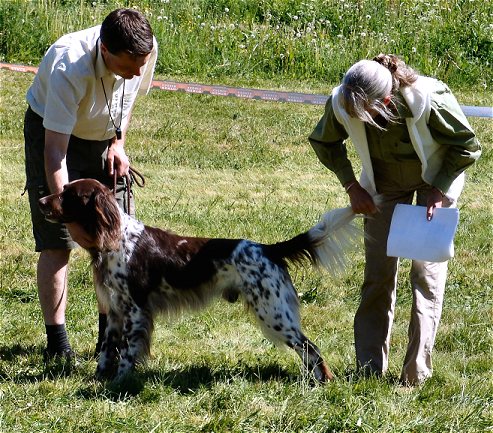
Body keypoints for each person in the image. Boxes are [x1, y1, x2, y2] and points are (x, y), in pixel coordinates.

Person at [308, 54, 481, 386]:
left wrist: (439, 188)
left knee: (426, 277)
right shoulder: (344, 99)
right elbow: (324, 142)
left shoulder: (429, 97)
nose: (357, 115)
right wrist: (351, 185)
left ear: (386, 100)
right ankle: (369, 372)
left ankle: (415, 375)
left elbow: (467, 145)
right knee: (378, 275)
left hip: (434, 182)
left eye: (367, 111)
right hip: (383, 187)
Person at [24, 8, 158, 364]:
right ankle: (58, 344)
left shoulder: (143, 48)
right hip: (53, 133)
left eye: (142, 63)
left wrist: (118, 142)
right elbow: (55, 153)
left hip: (103, 138)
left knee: (116, 241)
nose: (140, 72)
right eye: (131, 65)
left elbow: (125, 103)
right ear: (105, 50)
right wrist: (69, 219)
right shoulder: (69, 66)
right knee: (59, 243)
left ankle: (107, 340)